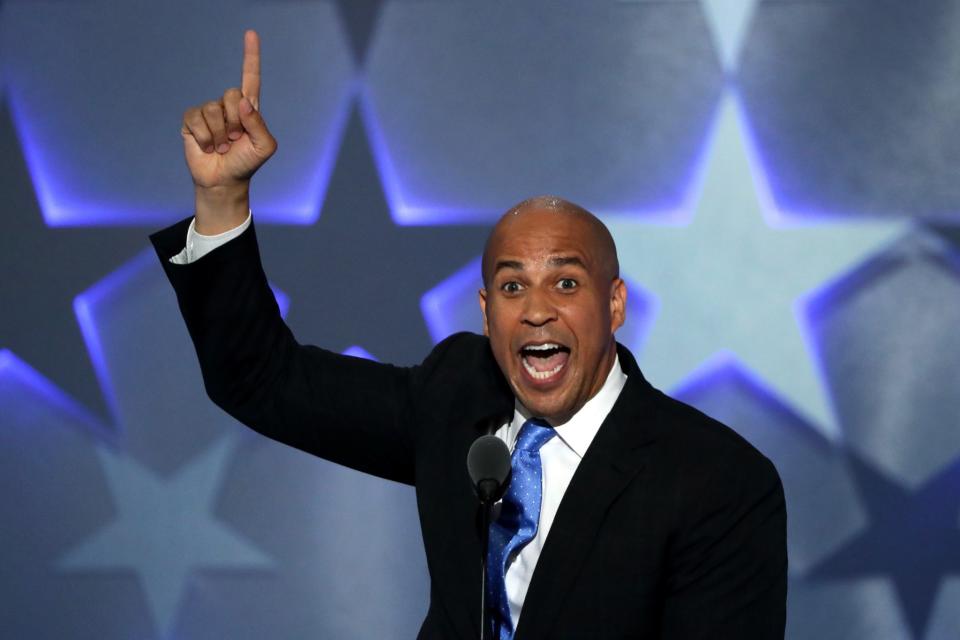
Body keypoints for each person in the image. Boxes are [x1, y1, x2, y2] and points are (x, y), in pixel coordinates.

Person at [152, 30, 787, 639]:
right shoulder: (456, 395)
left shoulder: (718, 482)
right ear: (486, 313)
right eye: (512, 287)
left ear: (614, 303)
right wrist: (222, 201)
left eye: (566, 284)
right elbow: (261, 379)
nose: (536, 311)